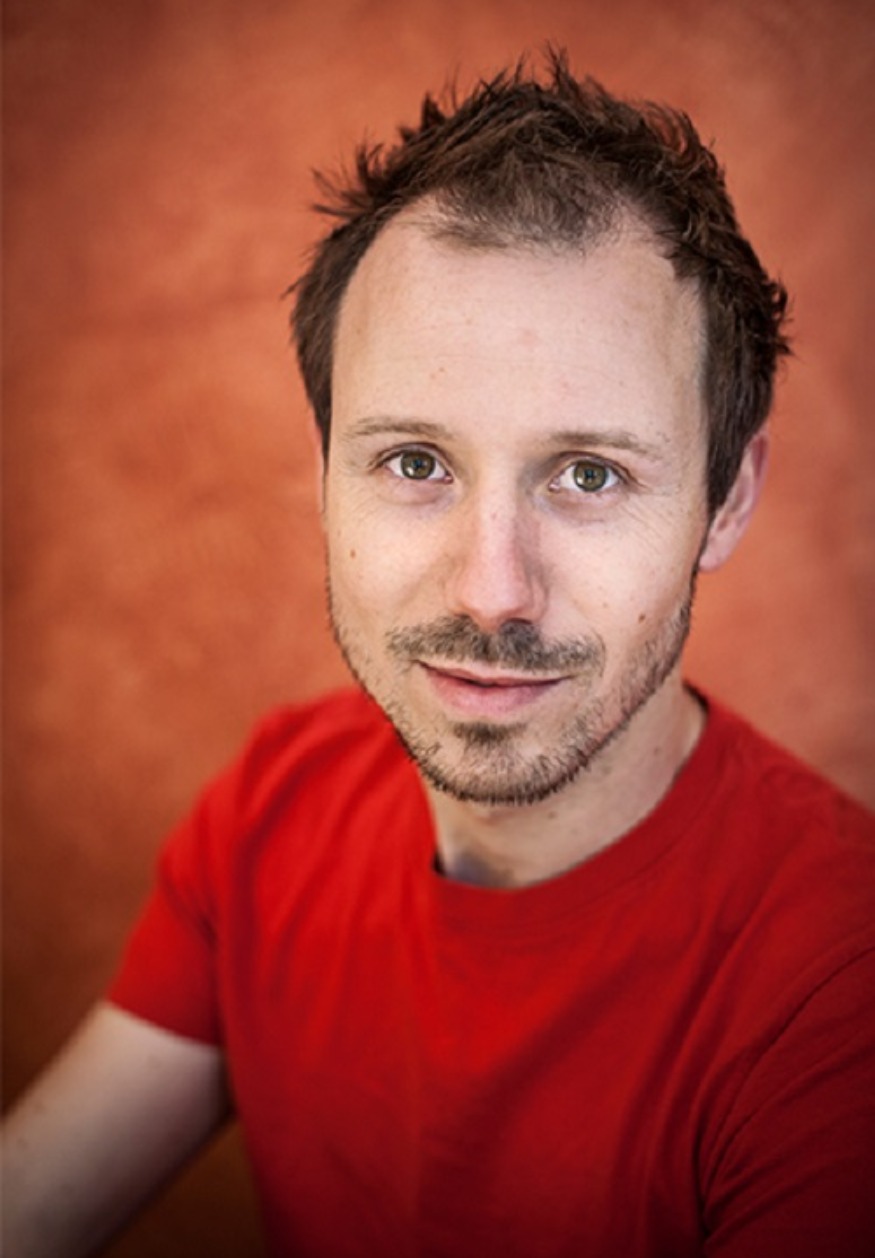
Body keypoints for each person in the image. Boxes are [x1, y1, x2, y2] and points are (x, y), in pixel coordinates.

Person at [3, 49, 874, 1258]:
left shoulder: (836, 986)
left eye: (588, 475)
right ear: (323, 475)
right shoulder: (271, 811)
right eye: (413, 462)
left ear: (725, 500)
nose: (491, 590)